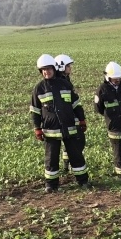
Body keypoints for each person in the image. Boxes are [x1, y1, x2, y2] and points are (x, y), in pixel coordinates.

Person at [29, 54, 89, 192]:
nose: (46, 72)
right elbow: (35, 111)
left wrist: (82, 119)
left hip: (69, 127)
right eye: (43, 70)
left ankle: (83, 181)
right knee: (51, 158)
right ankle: (51, 184)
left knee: (76, 156)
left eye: (48, 69)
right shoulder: (39, 89)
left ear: (54, 69)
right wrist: (37, 128)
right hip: (50, 130)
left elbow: (76, 104)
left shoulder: (65, 84)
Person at [54, 54, 85, 175]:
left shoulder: (63, 80)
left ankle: (66, 165)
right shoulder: (62, 82)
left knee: (70, 142)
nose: (70, 68)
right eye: (68, 66)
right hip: (68, 118)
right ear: (61, 67)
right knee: (77, 141)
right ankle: (72, 165)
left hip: (68, 117)